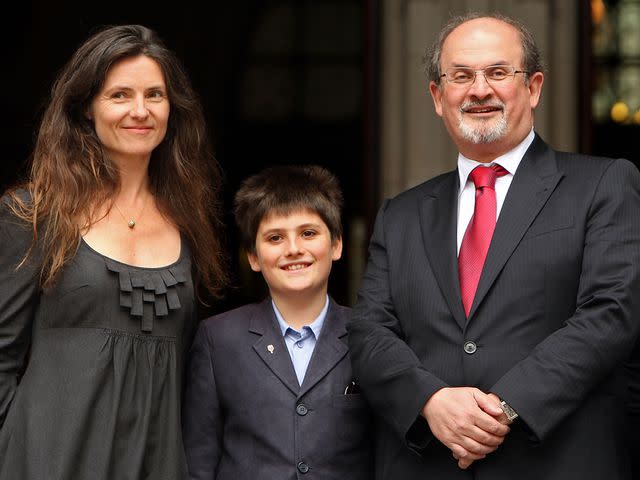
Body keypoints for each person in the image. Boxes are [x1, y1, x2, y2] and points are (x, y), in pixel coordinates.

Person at [347, 11, 640, 480]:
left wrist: (503, 408)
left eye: (499, 72)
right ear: (437, 98)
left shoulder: (603, 184)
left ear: (534, 87)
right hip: (428, 465)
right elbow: (368, 331)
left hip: (556, 462)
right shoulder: (400, 214)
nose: (479, 89)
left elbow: (611, 313)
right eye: (461, 76)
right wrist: (430, 399)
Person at [0, 24, 227, 479]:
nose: (140, 111)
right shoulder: (34, 214)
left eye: (155, 95)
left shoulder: (190, 221)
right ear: (87, 107)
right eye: (119, 95)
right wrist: (20, 451)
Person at [182, 165, 373, 480]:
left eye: (308, 233)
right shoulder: (218, 340)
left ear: (336, 244)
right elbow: (198, 464)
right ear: (253, 257)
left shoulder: (369, 334)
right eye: (275, 238)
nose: (294, 249)